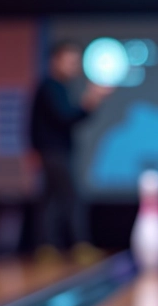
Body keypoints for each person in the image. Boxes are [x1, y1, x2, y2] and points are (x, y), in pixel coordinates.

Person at [29, 40, 113, 263]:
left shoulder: (58, 87)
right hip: (53, 152)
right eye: (70, 61)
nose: (74, 66)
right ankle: (79, 245)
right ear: (55, 61)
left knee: (51, 201)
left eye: (76, 62)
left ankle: (46, 247)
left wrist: (90, 103)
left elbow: (69, 119)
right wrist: (90, 100)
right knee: (71, 198)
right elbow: (64, 117)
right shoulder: (50, 87)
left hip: (54, 151)